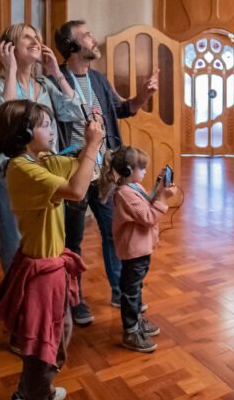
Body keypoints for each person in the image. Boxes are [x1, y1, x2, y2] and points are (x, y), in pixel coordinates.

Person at [0, 99, 103, 400]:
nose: (52, 131)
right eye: (45, 125)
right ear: (24, 132)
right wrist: (91, 147)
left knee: (60, 331)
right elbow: (77, 191)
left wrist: (90, 151)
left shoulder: (41, 161)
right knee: (43, 345)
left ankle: (26, 395)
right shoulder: (22, 169)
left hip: (52, 265)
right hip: (40, 271)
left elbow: (84, 173)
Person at [52, 20, 158, 325]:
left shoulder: (97, 79)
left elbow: (123, 109)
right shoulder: (55, 78)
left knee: (114, 233)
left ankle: (119, 291)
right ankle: (75, 301)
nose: (93, 38)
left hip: (106, 174)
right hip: (74, 171)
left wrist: (143, 95)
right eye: (86, 35)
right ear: (72, 46)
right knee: (72, 242)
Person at [0, 23, 85, 272]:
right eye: (27, 37)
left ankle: (42, 292)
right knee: (17, 242)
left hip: (46, 168)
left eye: (37, 36)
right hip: (9, 172)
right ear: (8, 47)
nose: (36, 40)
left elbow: (75, 110)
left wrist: (56, 73)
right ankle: (18, 299)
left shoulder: (45, 84)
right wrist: (11, 71)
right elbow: (6, 119)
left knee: (47, 237)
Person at [106, 146, 178, 353]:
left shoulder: (133, 187)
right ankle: (130, 331)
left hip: (141, 250)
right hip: (134, 251)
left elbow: (146, 203)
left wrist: (157, 189)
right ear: (128, 170)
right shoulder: (124, 194)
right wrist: (163, 199)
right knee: (130, 291)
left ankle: (136, 320)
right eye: (142, 168)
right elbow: (148, 217)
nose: (145, 171)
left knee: (135, 288)